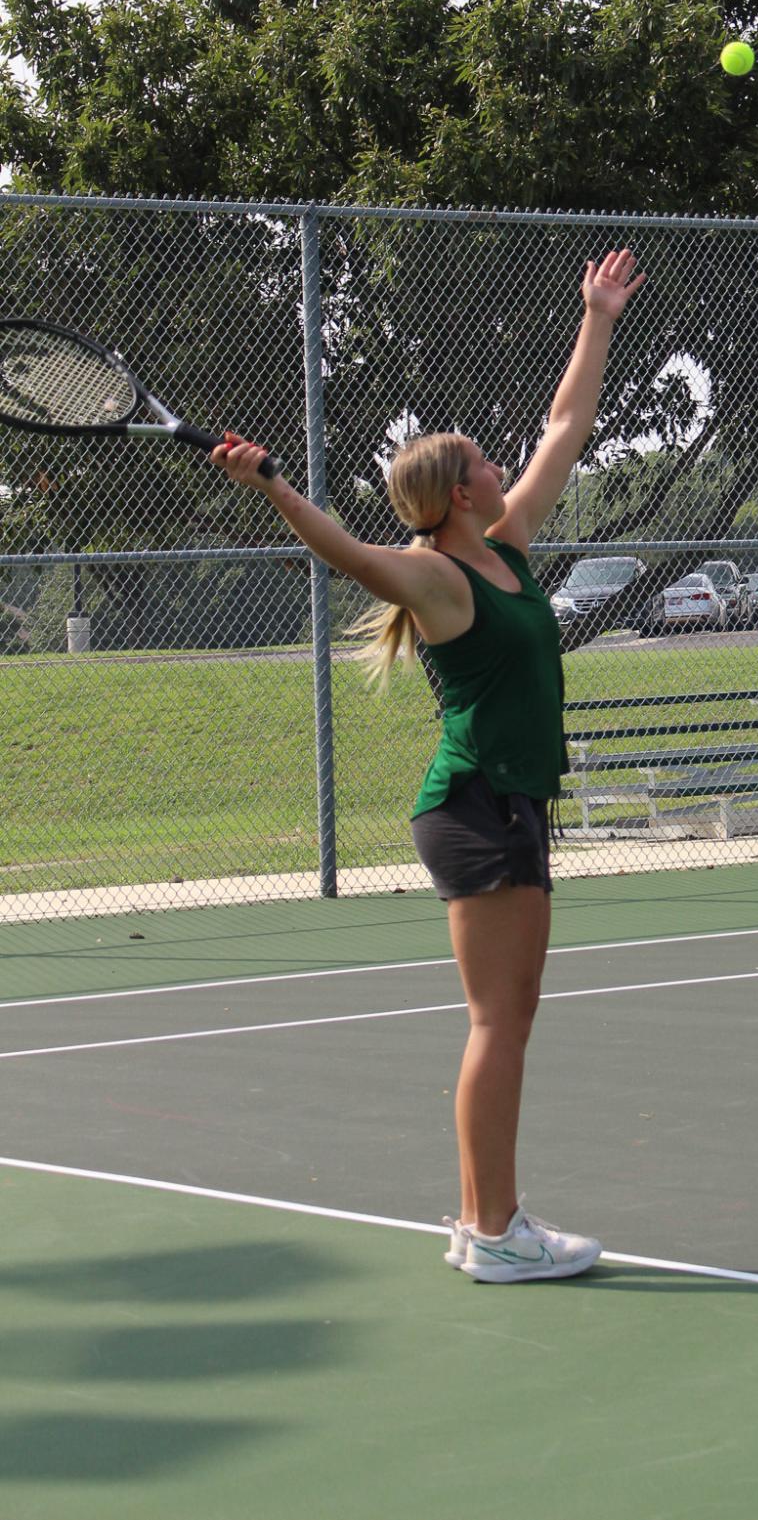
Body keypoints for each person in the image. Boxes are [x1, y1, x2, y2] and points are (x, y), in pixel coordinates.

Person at [212, 248, 645, 1282]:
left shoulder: (509, 546)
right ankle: (495, 1234)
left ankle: (478, 1223)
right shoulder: (438, 577)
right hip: (475, 804)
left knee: (509, 1017)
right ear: (454, 495)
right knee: (500, 1021)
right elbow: (351, 557)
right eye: (483, 464)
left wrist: (596, 318)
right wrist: (270, 481)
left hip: (505, 805)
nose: (503, 466)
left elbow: (564, 429)